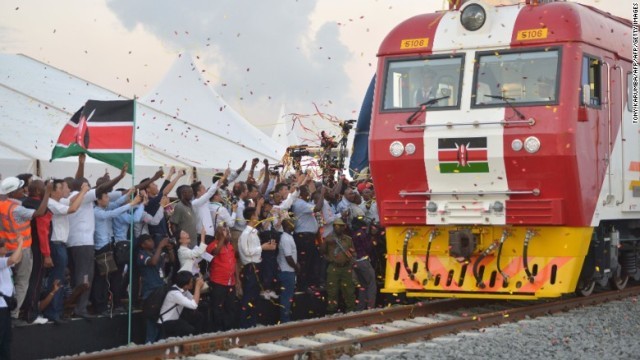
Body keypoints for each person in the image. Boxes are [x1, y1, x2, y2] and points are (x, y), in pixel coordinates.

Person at [0, 176, 51, 322]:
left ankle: (5, 311)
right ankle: (13, 314)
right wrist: (47, 193)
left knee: (8, 282)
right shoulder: (17, 209)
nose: (24, 191)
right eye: (21, 189)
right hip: (21, 250)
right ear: (13, 192)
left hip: (5, 250)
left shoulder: (2, 205)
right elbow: (39, 213)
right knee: (22, 282)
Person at [44, 179, 89, 324]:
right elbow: (72, 209)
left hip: (61, 244)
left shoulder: (57, 202)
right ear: (54, 191)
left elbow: (71, 202)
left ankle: (57, 311)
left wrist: (83, 191)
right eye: (63, 187)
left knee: (60, 278)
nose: (67, 190)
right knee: (57, 278)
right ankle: (53, 312)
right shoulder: (50, 203)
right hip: (55, 244)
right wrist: (83, 192)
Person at [238, 199, 277, 328]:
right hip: (250, 267)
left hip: (257, 266)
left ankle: (252, 322)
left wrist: (267, 247)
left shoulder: (254, 232)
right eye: (256, 215)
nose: (257, 217)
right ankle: (244, 323)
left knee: (255, 296)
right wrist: (262, 247)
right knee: (249, 296)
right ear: (251, 218)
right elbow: (247, 252)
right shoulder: (245, 234)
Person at [138, 234, 175, 343]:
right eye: (148, 240)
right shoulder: (141, 255)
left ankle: (159, 343)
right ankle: (149, 344)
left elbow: (171, 260)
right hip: (150, 291)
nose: (152, 241)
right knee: (152, 319)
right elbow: (153, 262)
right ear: (143, 244)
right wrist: (160, 246)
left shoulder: (156, 252)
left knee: (161, 319)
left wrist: (170, 249)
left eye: (151, 239)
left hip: (161, 288)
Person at [206, 223, 239, 331]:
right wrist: (222, 238)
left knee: (230, 307)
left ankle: (228, 329)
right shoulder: (213, 244)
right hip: (218, 282)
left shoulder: (230, 246)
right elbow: (215, 252)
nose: (227, 234)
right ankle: (218, 330)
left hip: (231, 282)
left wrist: (238, 280)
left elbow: (235, 264)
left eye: (228, 232)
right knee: (217, 307)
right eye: (224, 232)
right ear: (218, 234)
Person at [321, 218, 356, 314]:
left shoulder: (348, 239)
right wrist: (329, 258)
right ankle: (332, 310)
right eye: (337, 226)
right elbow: (322, 252)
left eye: (341, 226)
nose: (339, 228)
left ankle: (351, 309)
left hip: (346, 267)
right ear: (334, 227)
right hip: (333, 267)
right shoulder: (328, 238)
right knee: (332, 290)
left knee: (349, 290)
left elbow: (353, 253)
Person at [158, 271, 205, 338]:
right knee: (188, 329)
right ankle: (190, 342)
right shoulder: (175, 293)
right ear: (185, 284)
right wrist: (197, 287)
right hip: (166, 322)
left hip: (175, 319)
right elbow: (194, 305)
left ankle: (196, 339)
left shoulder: (183, 289)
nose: (193, 283)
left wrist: (199, 287)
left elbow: (193, 300)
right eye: (191, 281)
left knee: (199, 317)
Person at [0, 235, 24, 360]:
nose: (7, 247)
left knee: (6, 340)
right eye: (4, 246)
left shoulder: (4, 260)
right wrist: (20, 244)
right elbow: (13, 259)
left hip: (6, 306)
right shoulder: (0, 261)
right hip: (1, 308)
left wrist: (22, 244)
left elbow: (17, 258)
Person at [277, 218, 299, 323]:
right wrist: (296, 266)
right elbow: (288, 257)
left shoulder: (289, 237)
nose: (294, 225)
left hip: (289, 271)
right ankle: (285, 320)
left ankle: (286, 318)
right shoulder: (285, 238)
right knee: (286, 297)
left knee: (288, 296)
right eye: (292, 223)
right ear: (288, 225)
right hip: (287, 271)